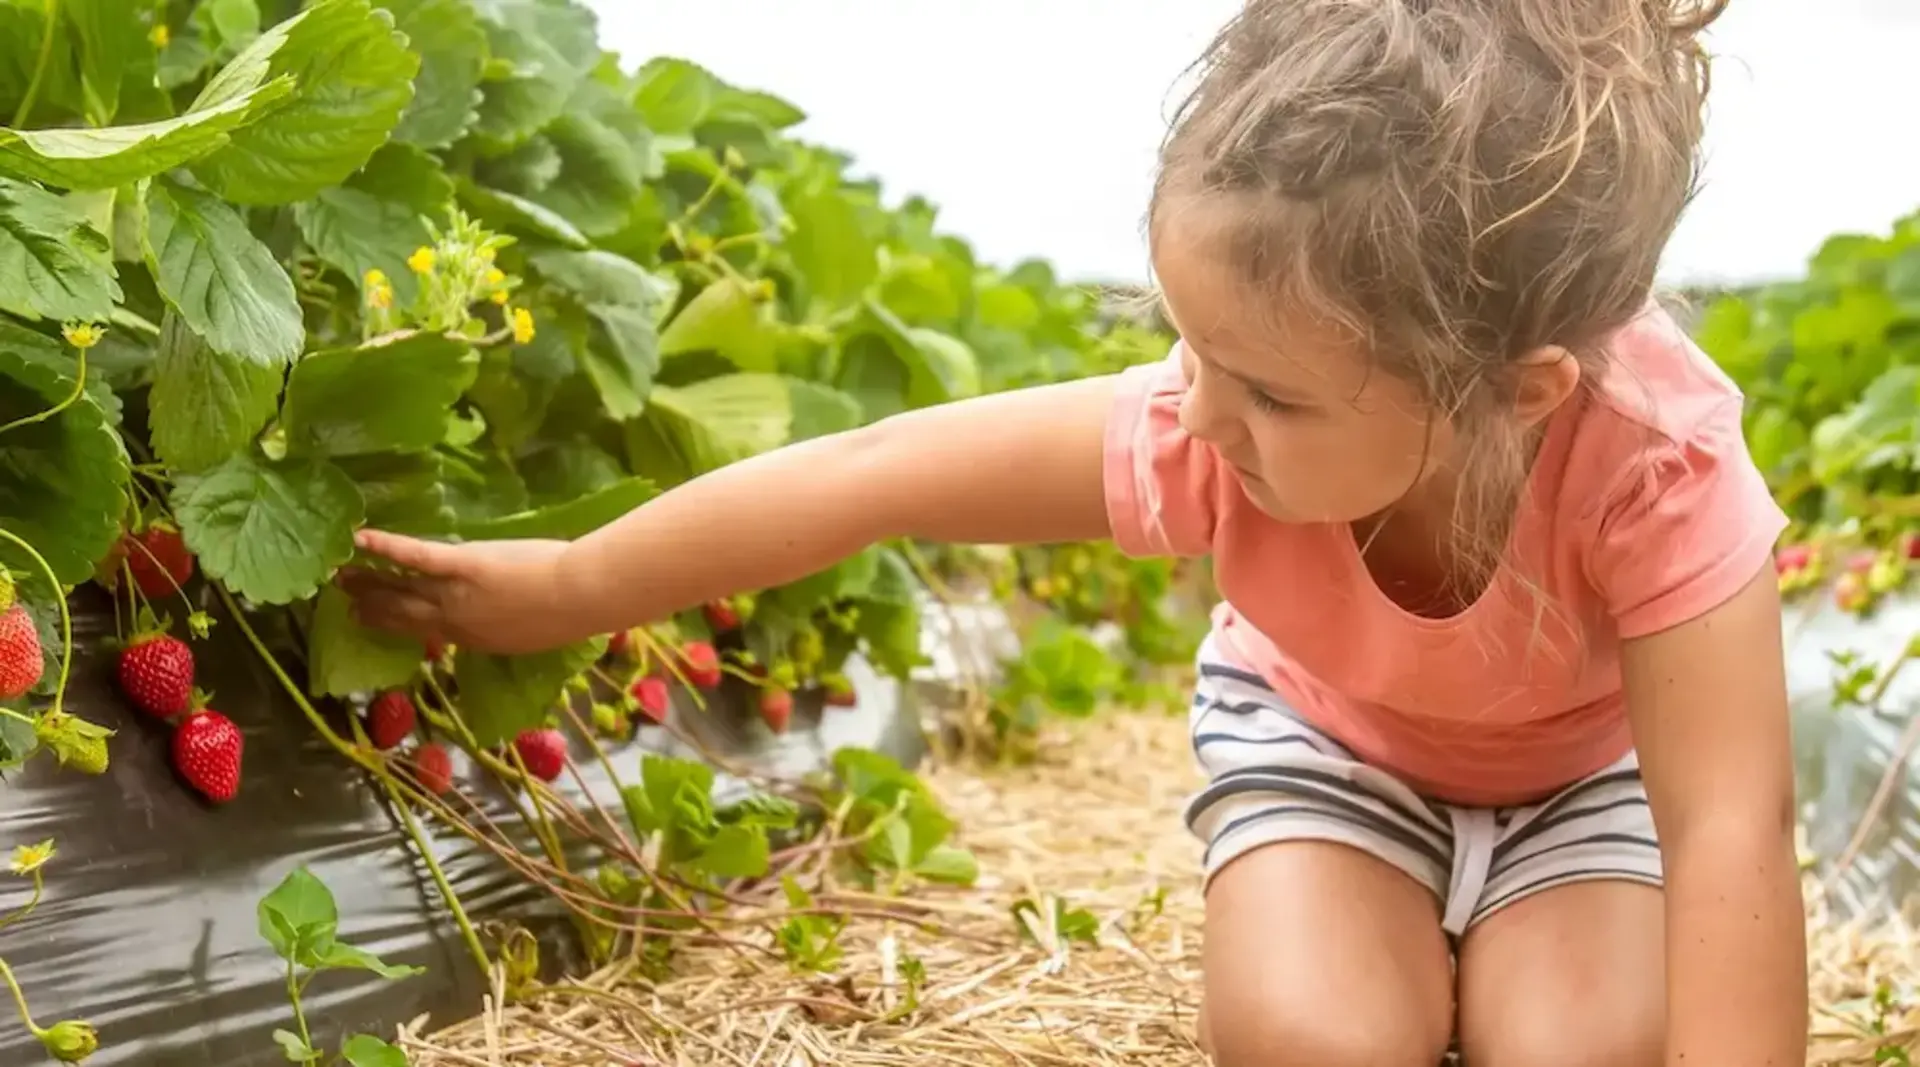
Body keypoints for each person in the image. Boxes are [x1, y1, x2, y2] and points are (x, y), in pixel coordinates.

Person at [339, 0, 1809, 1063]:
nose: (1205, 416)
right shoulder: (1208, 421)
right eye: (1193, 349)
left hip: (1577, 788)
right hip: (1329, 745)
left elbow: (1730, 821)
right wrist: (571, 582)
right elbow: (876, 469)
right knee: (1315, 1040)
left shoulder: (1656, 470)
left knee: (1582, 1050)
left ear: (1514, 391)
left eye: (1273, 392)